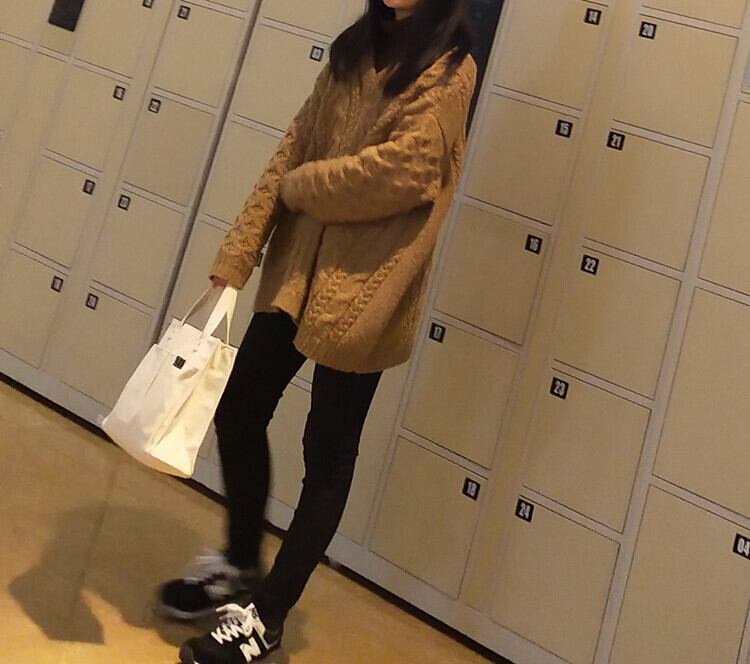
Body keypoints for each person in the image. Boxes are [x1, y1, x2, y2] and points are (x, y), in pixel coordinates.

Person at [159, 0, 476, 662]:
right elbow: (291, 149)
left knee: (327, 455)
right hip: (297, 274)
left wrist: (306, 186)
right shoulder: (352, 50)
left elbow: (406, 172)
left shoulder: (451, 68)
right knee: (239, 410)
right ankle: (241, 564)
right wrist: (237, 256)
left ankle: (266, 617)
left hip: (368, 290)